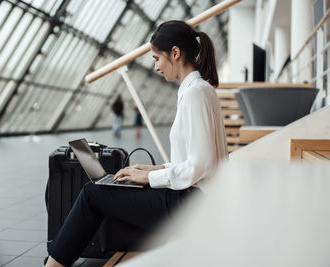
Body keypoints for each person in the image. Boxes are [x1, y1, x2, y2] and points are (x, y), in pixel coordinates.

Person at [45, 20, 228, 267]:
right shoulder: (200, 90)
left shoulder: (195, 94)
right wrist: (153, 169)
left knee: (92, 194)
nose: (155, 67)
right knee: (111, 189)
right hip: (199, 197)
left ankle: (53, 264)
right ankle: (61, 256)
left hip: (190, 205)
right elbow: (199, 160)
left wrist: (151, 179)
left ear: (175, 53)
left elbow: (202, 164)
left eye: (156, 58)